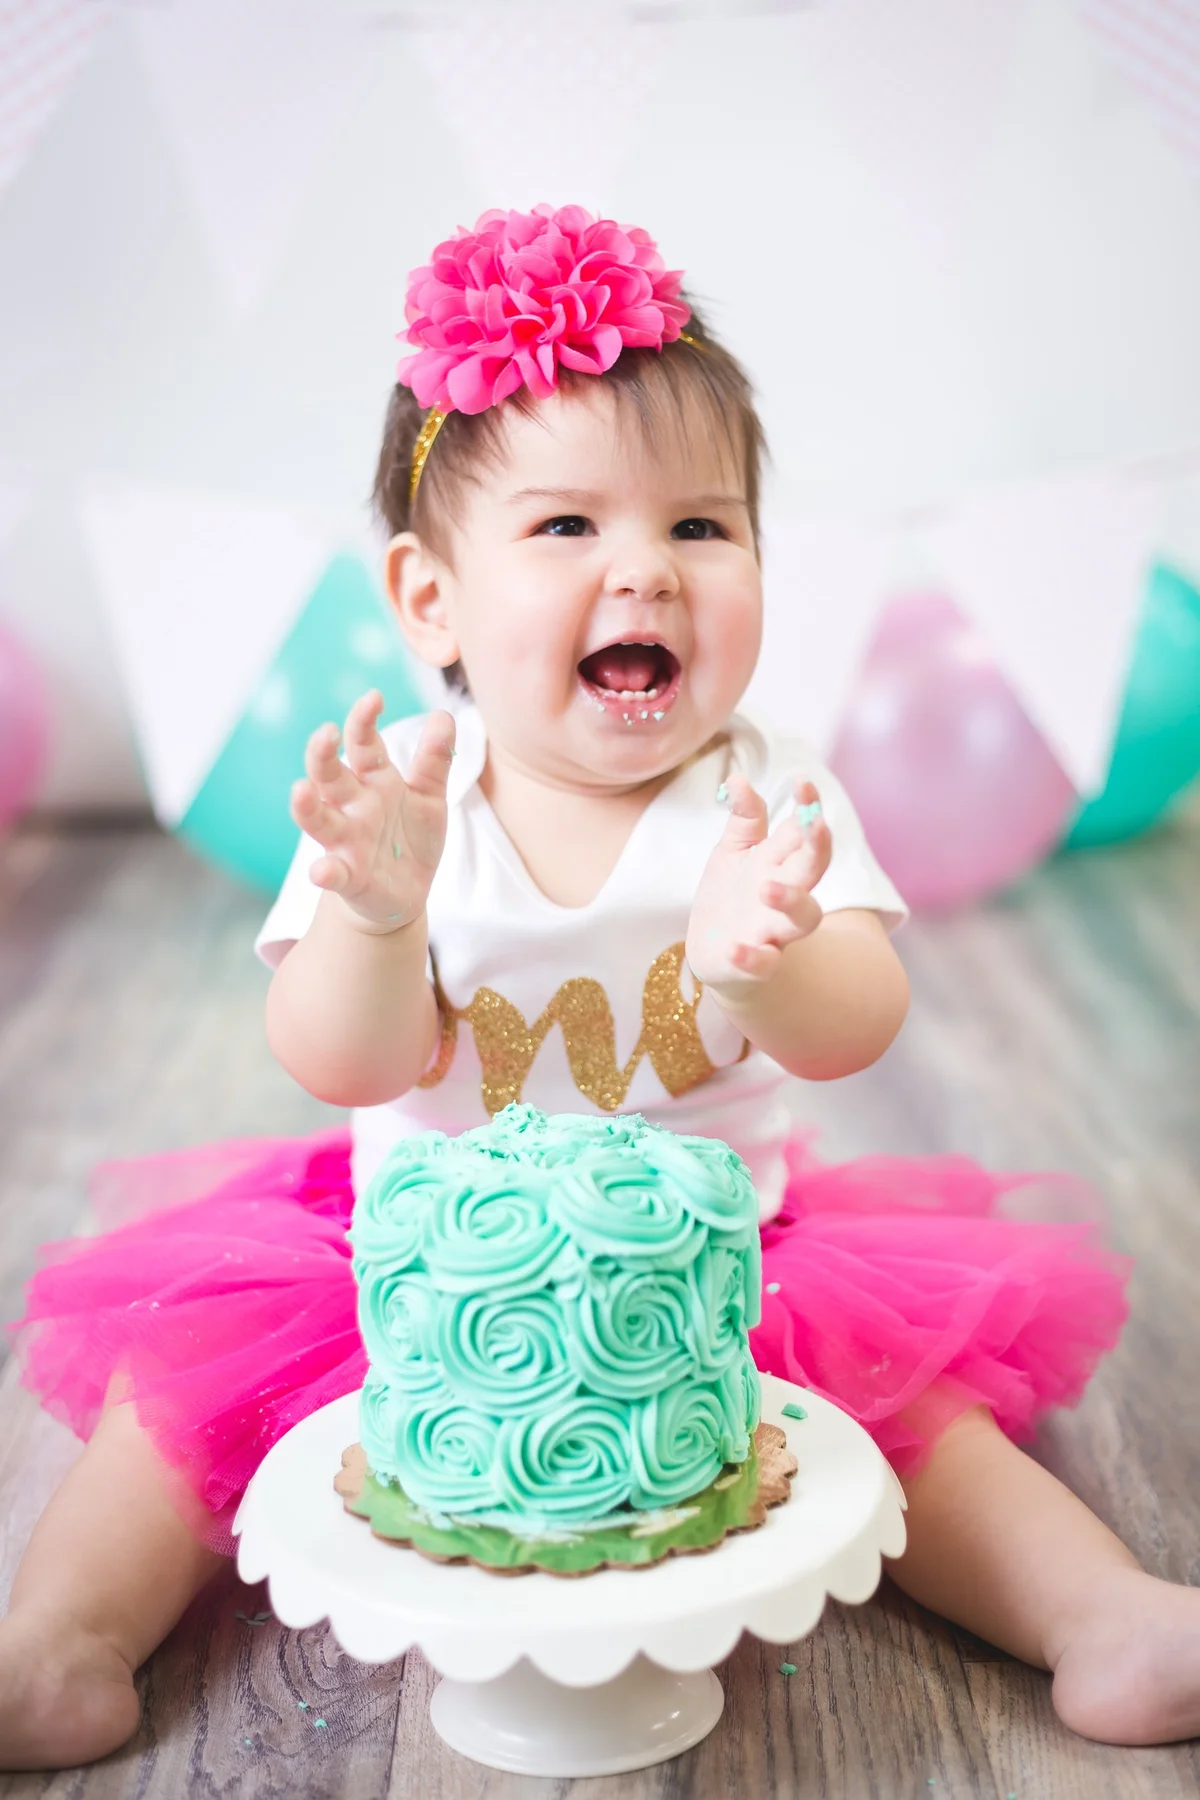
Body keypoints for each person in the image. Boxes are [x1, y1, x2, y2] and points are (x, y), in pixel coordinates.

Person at [3, 206, 1197, 1771]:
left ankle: (1099, 1613)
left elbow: (858, 1026)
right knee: (179, 1411)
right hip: (423, 1261)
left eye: (702, 528)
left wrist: (758, 965)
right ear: (431, 600)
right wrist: (376, 917)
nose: (647, 568)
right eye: (568, 529)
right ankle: (57, 1640)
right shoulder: (410, 807)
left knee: (909, 1424)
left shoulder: (765, 792)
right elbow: (345, 1060)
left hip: (730, 1254)